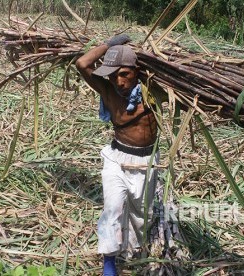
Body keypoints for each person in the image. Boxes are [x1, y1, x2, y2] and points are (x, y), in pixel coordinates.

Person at [75, 35, 161, 276]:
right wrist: (110, 44)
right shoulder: (107, 90)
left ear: (137, 71)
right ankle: (109, 263)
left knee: (142, 215)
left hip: (146, 161)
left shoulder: (154, 90)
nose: (119, 81)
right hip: (116, 158)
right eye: (113, 75)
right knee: (112, 209)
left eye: (124, 74)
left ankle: (133, 250)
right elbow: (82, 64)